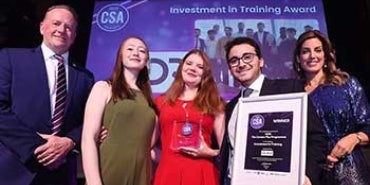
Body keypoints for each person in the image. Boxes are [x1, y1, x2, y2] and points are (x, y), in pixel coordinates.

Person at [0, 4, 94, 185]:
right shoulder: (10, 59)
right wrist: (38, 146)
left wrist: (69, 142)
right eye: (56, 23)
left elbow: (88, 122)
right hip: (15, 168)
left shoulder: (85, 77)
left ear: (74, 36)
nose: (61, 30)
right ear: (42, 27)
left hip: (61, 172)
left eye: (68, 27)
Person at [219, 37, 328, 185]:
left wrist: (308, 175)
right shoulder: (231, 106)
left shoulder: (289, 90)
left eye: (247, 57)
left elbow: (317, 137)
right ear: (230, 68)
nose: (241, 64)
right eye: (234, 60)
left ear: (261, 61)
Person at [293, 30, 370, 185]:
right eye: (305, 51)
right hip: (310, 174)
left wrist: (353, 138)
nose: (312, 56)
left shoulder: (347, 84)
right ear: (298, 59)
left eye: (318, 50)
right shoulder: (293, 93)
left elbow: (368, 124)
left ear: (326, 55)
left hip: (349, 171)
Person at [81, 36, 158, 185]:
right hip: (109, 170)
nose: (135, 53)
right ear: (120, 56)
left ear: (147, 61)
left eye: (141, 51)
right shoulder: (104, 87)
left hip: (141, 174)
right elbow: (88, 138)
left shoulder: (149, 101)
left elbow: (149, 142)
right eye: (130, 49)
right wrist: (93, 182)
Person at [153, 49, 225, 185]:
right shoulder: (161, 102)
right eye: (189, 63)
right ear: (181, 67)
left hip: (203, 173)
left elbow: (225, 150)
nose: (193, 69)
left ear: (205, 74)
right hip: (168, 173)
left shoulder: (215, 103)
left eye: (200, 67)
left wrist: (209, 152)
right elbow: (148, 145)